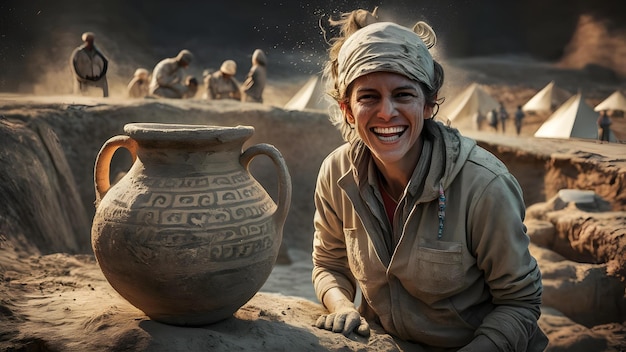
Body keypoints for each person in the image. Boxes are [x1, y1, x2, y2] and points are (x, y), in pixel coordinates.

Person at [311, 8, 547, 351]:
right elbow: (328, 264)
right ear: (348, 109)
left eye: (403, 95)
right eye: (368, 97)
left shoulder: (483, 186)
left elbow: (520, 303)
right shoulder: (337, 174)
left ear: (428, 104)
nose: (387, 112)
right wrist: (342, 305)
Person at [69, 32, 109, 97]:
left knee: (104, 82)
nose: (90, 42)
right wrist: (79, 76)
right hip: (84, 78)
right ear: (85, 41)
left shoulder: (97, 52)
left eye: (91, 40)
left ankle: (106, 98)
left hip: (96, 77)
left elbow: (105, 62)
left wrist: (101, 75)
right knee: (81, 93)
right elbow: (74, 64)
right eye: (89, 40)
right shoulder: (79, 52)